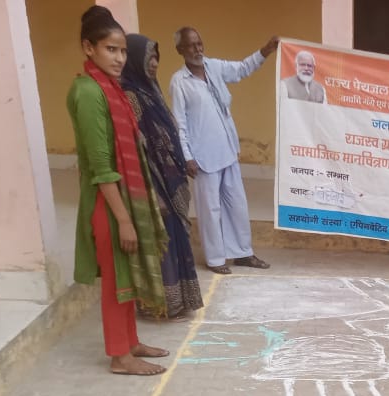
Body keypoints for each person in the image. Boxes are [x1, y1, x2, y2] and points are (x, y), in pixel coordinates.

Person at [67, 6, 170, 376]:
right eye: (110, 49)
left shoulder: (109, 88)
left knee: (126, 273)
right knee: (116, 282)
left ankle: (131, 341)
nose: (119, 58)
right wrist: (124, 220)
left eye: (123, 51)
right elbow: (100, 165)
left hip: (121, 197)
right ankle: (120, 356)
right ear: (88, 48)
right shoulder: (87, 92)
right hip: (107, 201)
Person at [169, 27, 278, 274]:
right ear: (180, 50)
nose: (197, 49)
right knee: (210, 210)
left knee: (237, 205)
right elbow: (179, 124)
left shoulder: (214, 67)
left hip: (228, 150)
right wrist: (187, 157)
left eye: (199, 43)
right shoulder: (179, 82)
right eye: (191, 45)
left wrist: (265, 51)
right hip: (202, 157)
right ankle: (216, 259)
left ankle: (243, 253)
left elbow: (242, 69)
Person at [121, 33, 203, 321]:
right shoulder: (130, 96)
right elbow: (136, 146)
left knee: (175, 237)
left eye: (156, 57)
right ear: (135, 60)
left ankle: (180, 300)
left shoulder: (150, 90)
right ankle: (162, 303)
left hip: (170, 178)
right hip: (153, 181)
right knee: (162, 240)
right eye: (149, 58)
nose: (154, 63)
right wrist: (152, 190)